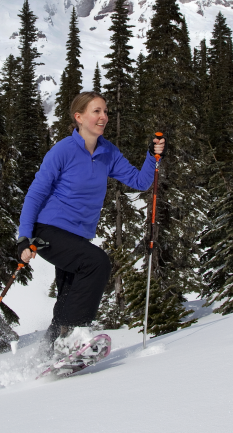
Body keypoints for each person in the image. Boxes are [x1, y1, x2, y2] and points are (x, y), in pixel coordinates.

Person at [17, 91, 165, 359]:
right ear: (79, 117)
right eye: (96, 111)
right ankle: (72, 337)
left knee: (70, 293)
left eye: (105, 111)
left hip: (77, 238)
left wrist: (152, 156)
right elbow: (36, 193)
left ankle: (46, 355)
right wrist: (24, 238)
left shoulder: (108, 151)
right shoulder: (62, 150)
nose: (103, 117)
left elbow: (141, 182)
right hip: (48, 230)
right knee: (97, 263)